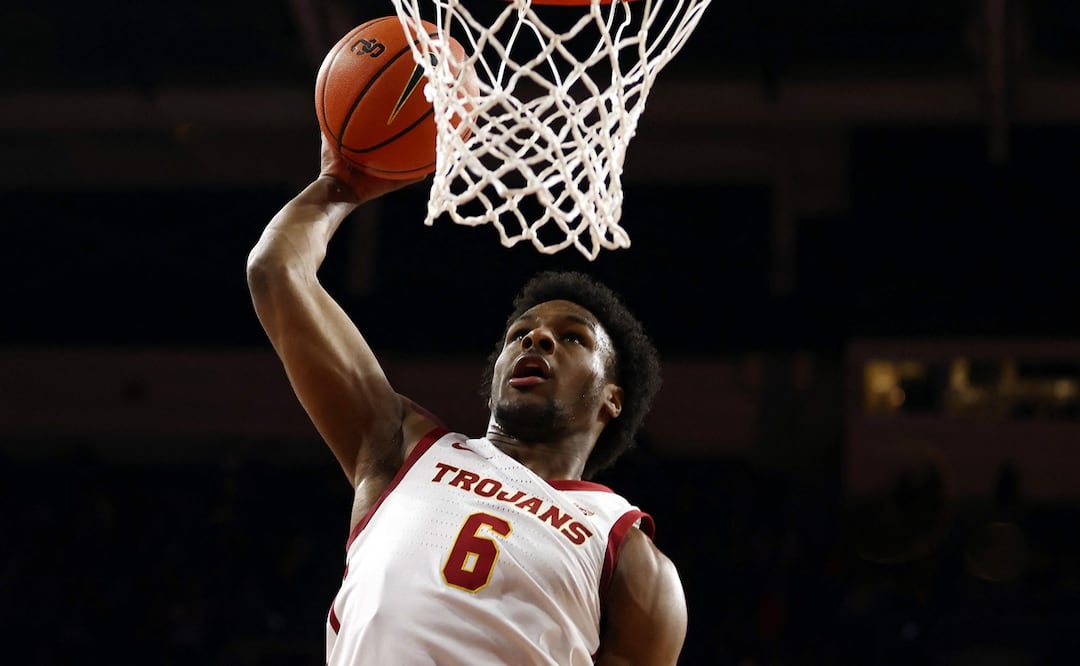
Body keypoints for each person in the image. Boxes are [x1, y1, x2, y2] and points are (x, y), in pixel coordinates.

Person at [246, 137, 687, 665]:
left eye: (573, 337)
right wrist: (337, 188)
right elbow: (276, 272)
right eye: (520, 333)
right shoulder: (402, 448)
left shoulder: (627, 552)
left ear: (613, 399)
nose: (536, 339)